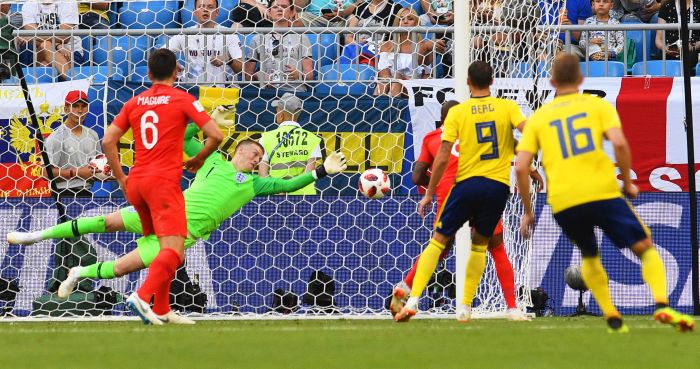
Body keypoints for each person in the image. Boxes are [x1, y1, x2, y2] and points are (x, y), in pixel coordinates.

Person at [7, 127, 348, 323]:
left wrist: (321, 171)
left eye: (260, 157)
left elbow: (288, 184)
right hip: (165, 213)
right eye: (254, 154)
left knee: (123, 268)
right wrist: (200, 118)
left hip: (182, 234)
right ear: (239, 152)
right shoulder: (212, 160)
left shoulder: (253, 183)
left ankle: (79, 274)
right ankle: (33, 236)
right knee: (105, 222)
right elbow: (185, 138)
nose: (258, 159)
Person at [515, 52, 695, 333]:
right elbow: (620, 144)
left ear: (551, 81)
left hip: (563, 201)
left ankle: (611, 315)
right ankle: (661, 305)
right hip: (602, 191)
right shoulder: (595, 106)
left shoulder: (539, 118)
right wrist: (627, 183)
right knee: (644, 246)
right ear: (581, 78)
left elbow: (522, 167)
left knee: (588, 254)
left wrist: (528, 211)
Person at [394, 61, 527, 323]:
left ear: (467, 82)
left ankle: (410, 294)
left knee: (438, 244)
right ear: (493, 81)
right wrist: (529, 162)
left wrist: (429, 193)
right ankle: (489, 306)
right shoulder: (505, 109)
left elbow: (426, 168)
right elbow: (522, 136)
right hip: (495, 187)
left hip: (458, 190)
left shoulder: (445, 127)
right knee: (491, 247)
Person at [102, 48, 224, 325]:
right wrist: (198, 158)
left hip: (137, 183)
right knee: (174, 250)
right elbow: (216, 135)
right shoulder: (183, 99)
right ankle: (142, 296)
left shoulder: (134, 102)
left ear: (148, 73)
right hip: (162, 184)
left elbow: (108, 140)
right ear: (177, 71)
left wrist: (121, 177)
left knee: (161, 248)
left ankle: (162, 308)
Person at [43, 90, 103, 293]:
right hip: (65, 196)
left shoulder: (92, 135)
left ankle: (66, 289)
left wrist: (103, 173)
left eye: (83, 106)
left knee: (70, 246)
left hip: (86, 196)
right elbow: (46, 172)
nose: (79, 110)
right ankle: (71, 288)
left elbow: (97, 167)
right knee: (74, 248)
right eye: (75, 106)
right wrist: (78, 172)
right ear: (66, 108)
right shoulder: (56, 137)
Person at [167, 0, 244, 87]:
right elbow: (160, 54)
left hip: (223, 92)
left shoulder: (229, 34)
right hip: (195, 90)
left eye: (210, 7)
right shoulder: (185, 34)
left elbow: (242, 69)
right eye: (201, 7)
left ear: (217, 12)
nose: (205, 10)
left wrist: (228, 60)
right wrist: (172, 62)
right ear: (194, 12)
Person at [258, 93, 323, 195]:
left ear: (281, 115)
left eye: (277, 111)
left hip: (276, 195)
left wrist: (276, 190)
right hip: (304, 196)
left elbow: (262, 173)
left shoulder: (266, 138)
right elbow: (309, 173)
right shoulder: (312, 139)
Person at [244, 0, 314, 92]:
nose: (280, 9)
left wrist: (298, 75)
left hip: (295, 92)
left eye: (284, 7)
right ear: (269, 12)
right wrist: (257, 76)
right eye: (275, 7)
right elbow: (247, 76)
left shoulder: (302, 38)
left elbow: (310, 76)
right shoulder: (258, 38)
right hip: (267, 92)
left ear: (292, 12)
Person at [17, 0, 85, 81]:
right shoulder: (28, 5)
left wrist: (34, 37)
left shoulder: (68, 2)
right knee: (45, 46)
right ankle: (74, 83)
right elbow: (32, 38)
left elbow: (64, 37)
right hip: (39, 53)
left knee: (45, 65)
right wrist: (57, 45)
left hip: (70, 53)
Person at [375, 8, 432, 96]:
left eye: (410, 19)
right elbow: (384, 75)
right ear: (397, 23)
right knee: (387, 81)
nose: (405, 22)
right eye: (401, 19)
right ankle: (378, 104)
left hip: (415, 89)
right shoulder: (387, 45)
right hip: (391, 85)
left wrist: (405, 80)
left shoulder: (423, 47)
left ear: (416, 23)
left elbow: (426, 76)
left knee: (397, 77)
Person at [655, 0, 700, 65]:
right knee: (657, 62)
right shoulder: (666, 7)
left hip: (692, 51)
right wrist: (666, 48)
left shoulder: (698, 6)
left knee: (689, 59)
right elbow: (658, 39)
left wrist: (693, 47)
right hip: (670, 51)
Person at [297, 0, 362, 27]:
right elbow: (299, 4)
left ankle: (351, 52)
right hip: (313, 16)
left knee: (356, 20)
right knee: (295, 18)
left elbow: (362, 3)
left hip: (345, 18)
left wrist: (342, 13)